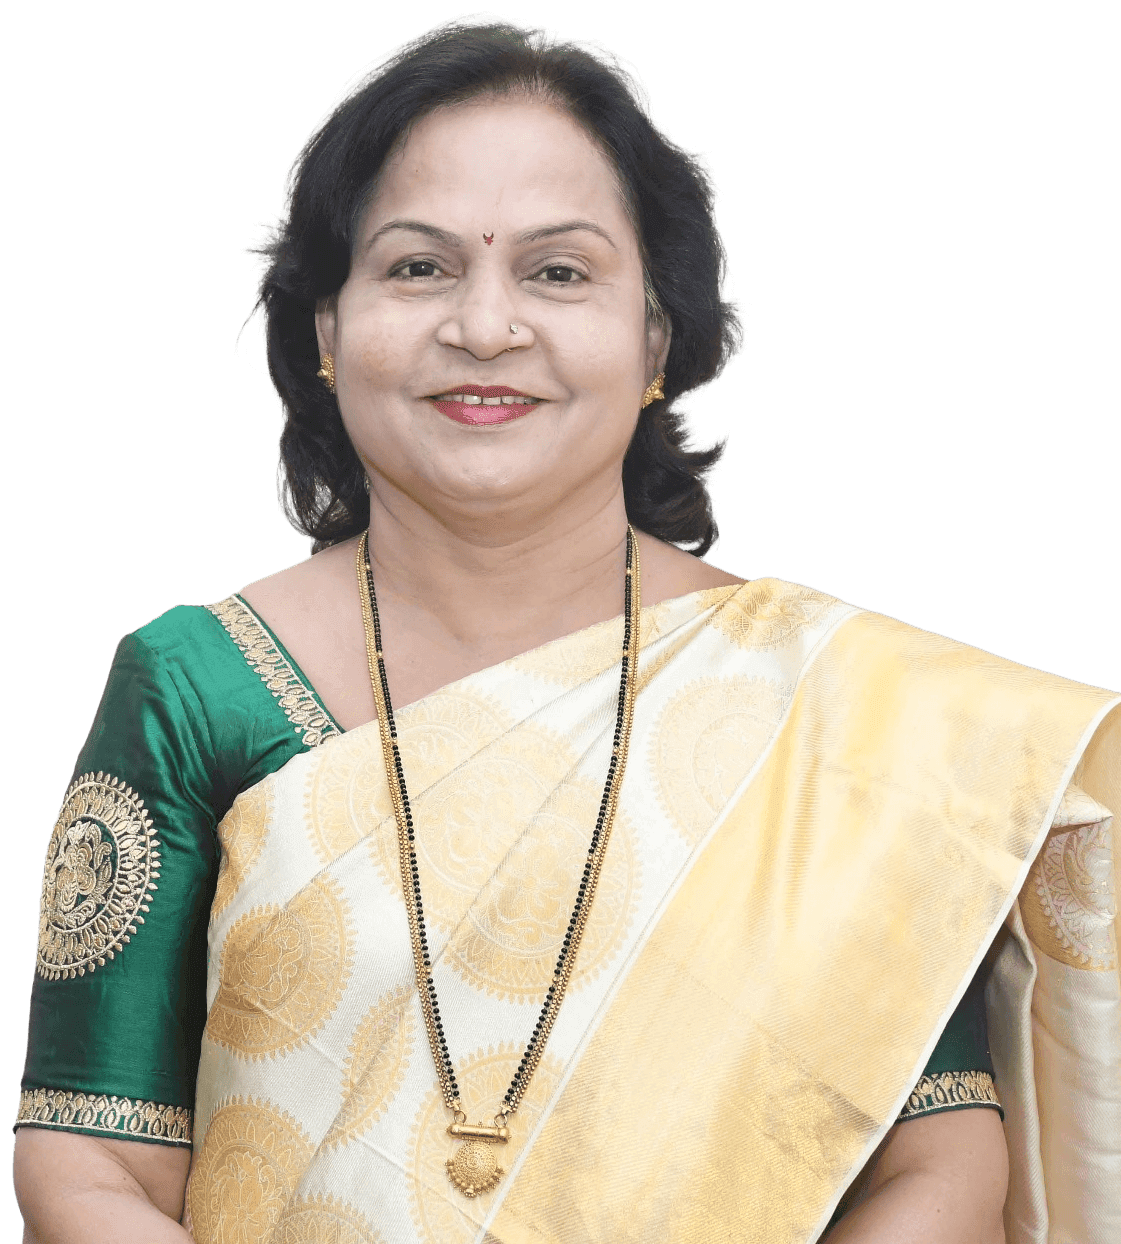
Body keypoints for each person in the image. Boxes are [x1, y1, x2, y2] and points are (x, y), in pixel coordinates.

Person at [13, 15, 1119, 1244]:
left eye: (557, 272)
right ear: (324, 331)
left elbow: (939, 1161)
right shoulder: (195, 686)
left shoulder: (834, 714)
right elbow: (89, 1163)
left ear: (654, 338)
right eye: (417, 268)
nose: (485, 327)